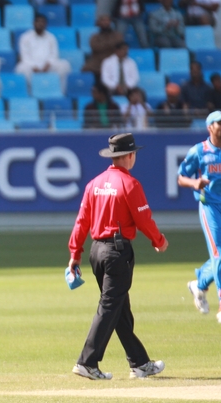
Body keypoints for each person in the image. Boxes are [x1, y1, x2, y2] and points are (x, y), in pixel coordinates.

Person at [68, 132, 168, 380]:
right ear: (130, 155)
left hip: (96, 252)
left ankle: (140, 363)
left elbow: (82, 222)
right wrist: (159, 241)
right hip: (117, 252)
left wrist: (75, 253)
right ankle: (87, 362)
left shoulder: (94, 184)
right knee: (110, 306)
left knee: (120, 309)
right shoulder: (130, 184)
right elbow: (143, 219)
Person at [179, 111, 221, 323]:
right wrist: (194, 183)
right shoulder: (199, 151)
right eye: (219, 123)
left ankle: (200, 283)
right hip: (210, 207)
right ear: (209, 127)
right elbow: (181, 177)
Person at [15, 14, 72, 91]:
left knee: (65, 65)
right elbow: (24, 56)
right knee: (21, 68)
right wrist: (33, 66)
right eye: (38, 21)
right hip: (32, 66)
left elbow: (54, 54)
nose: (40, 24)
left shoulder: (51, 37)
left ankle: (59, 91)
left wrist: (48, 64)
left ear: (46, 24)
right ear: (33, 23)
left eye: (42, 22)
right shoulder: (25, 37)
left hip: (48, 66)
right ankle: (31, 92)